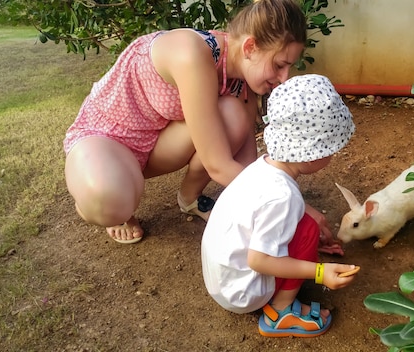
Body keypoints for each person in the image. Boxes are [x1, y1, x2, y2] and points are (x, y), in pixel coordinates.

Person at [63, 0, 320, 244]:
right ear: (250, 47)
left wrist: (279, 224)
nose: (284, 78)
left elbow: (246, 167)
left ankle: (189, 198)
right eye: (279, 65)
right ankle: (100, 198)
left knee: (234, 112)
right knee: (110, 202)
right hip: (107, 137)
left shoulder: (241, 79)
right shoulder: (192, 53)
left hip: (154, 141)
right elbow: (219, 166)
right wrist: (296, 208)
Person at [201, 74, 358, 338]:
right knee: (306, 228)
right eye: (330, 148)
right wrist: (319, 271)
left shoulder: (262, 167)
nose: (332, 154)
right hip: (242, 292)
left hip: (223, 278)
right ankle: (281, 311)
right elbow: (259, 260)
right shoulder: (283, 196)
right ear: (310, 155)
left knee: (303, 227)